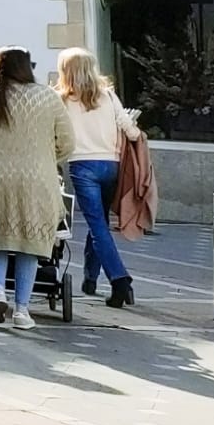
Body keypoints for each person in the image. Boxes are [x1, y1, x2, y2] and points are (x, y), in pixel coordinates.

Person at [0, 47, 72, 330]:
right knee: (28, 244)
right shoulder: (49, 98)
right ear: (27, 67)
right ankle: (22, 311)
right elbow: (67, 142)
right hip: (37, 181)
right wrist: (45, 158)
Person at [54, 47, 139, 308]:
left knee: (97, 226)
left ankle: (120, 280)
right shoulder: (109, 96)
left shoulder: (61, 99)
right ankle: (90, 278)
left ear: (65, 72)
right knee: (99, 222)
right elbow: (131, 132)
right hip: (111, 165)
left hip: (82, 166)